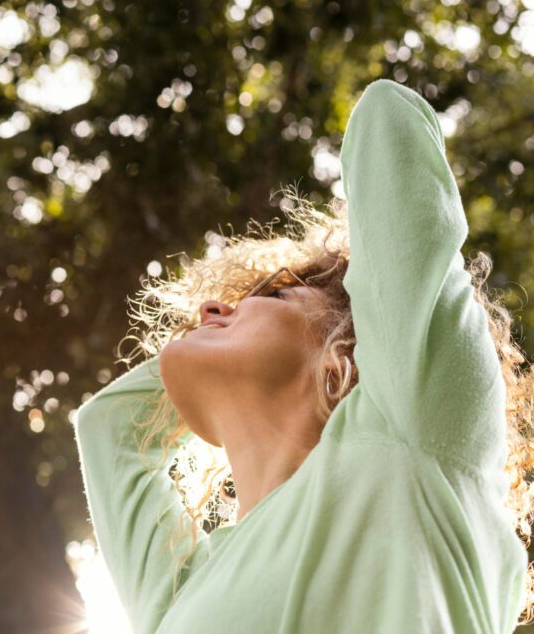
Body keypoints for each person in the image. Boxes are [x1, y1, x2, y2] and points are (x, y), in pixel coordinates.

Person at [74, 79, 534, 634]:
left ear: (350, 340)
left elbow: (388, 120)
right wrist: (199, 357)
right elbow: (108, 427)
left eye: (269, 294)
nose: (215, 307)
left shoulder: (408, 432)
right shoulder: (184, 592)